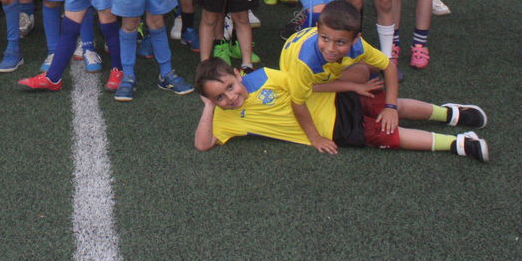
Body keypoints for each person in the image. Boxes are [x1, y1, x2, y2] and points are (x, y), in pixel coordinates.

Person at [194, 40, 490, 161]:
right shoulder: (224, 118)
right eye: (219, 97)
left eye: (230, 86)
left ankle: (449, 114)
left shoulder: (265, 77)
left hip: (337, 100)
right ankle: (458, 144)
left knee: (392, 106)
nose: (230, 97)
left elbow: (308, 87)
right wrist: (208, 108)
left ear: (238, 74)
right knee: (390, 134)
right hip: (336, 131)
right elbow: (202, 144)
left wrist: (352, 86)